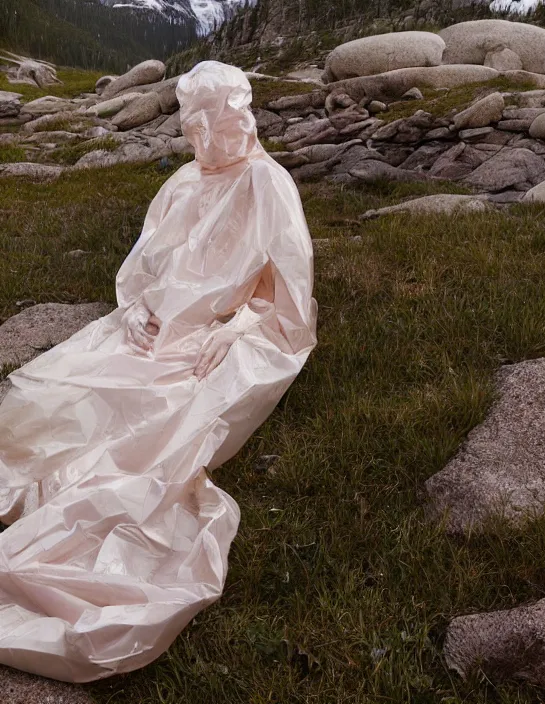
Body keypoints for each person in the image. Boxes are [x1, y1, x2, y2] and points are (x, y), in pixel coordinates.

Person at [0, 61, 317, 683]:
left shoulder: (268, 184)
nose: (201, 133)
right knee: (65, 390)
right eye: (192, 120)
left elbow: (291, 302)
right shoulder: (181, 183)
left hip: (223, 334)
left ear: (239, 114)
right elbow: (144, 266)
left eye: (214, 118)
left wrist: (236, 330)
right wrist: (139, 306)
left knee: (159, 426)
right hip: (158, 328)